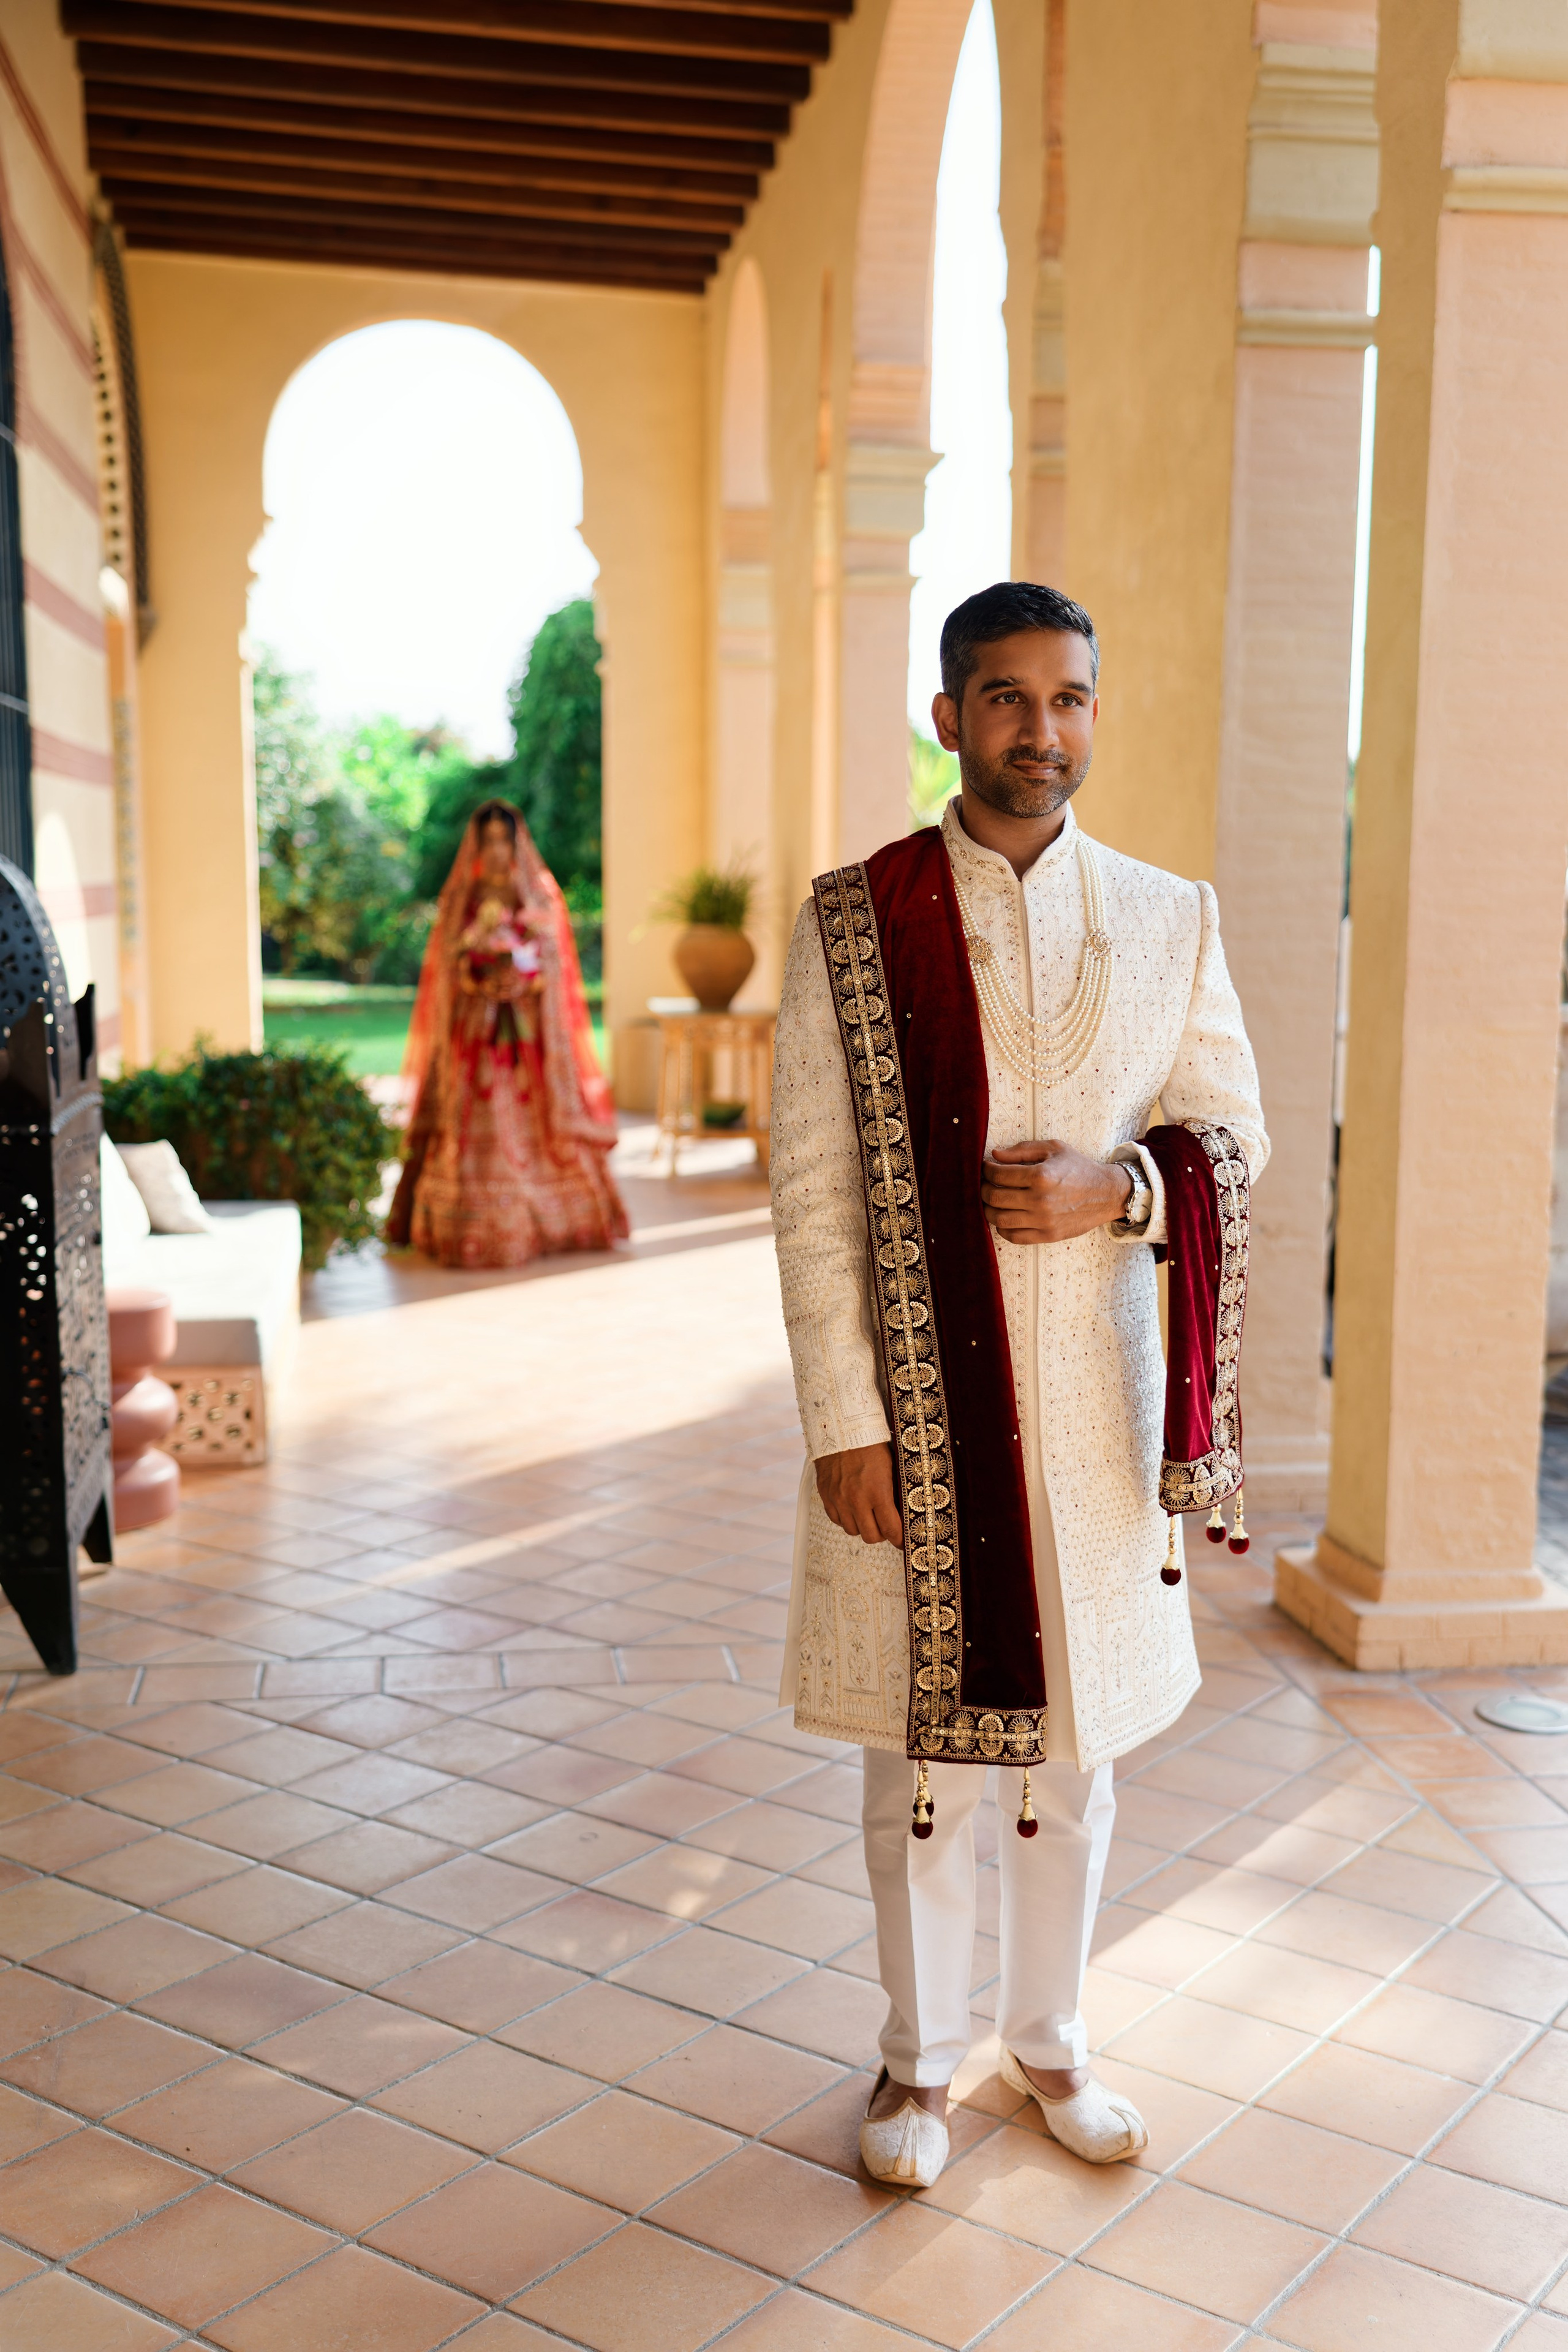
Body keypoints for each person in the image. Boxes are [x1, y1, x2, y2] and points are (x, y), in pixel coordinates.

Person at [769, 582, 1267, 2187]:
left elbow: (1230, 1140)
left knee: (1074, 1753)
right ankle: (917, 2070)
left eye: (1068, 700)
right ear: (950, 716)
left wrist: (1121, 1189)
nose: (1039, 732)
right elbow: (812, 1187)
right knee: (927, 1761)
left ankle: (1047, 2043)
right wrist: (850, 1419)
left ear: (1094, 715)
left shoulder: (1171, 914)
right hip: (928, 1408)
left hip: (1104, 1416)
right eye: (1005, 698)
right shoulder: (859, 919)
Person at [387, 797, 627, 1268]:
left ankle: (548, 1221)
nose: (497, 850)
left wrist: (523, 979)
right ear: (476, 845)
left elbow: (555, 964)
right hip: (476, 1032)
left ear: (517, 842)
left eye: (505, 839)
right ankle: (467, 1222)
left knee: (531, 1117)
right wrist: (479, 977)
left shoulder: (536, 893)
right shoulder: (463, 896)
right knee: (473, 1115)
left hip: (528, 1036)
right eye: (488, 840)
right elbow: (446, 966)